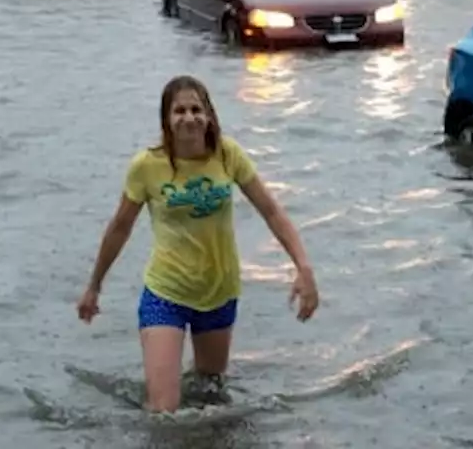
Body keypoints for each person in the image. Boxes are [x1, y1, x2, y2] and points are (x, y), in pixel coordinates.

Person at [76, 75, 319, 413]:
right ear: (166, 120)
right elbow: (120, 227)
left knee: (209, 396)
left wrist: (303, 268)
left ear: (209, 116)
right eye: (179, 111)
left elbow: (272, 211)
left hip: (219, 291)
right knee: (164, 412)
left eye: (196, 109)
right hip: (166, 292)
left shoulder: (227, 154)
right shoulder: (147, 166)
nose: (189, 118)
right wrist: (94, 286)